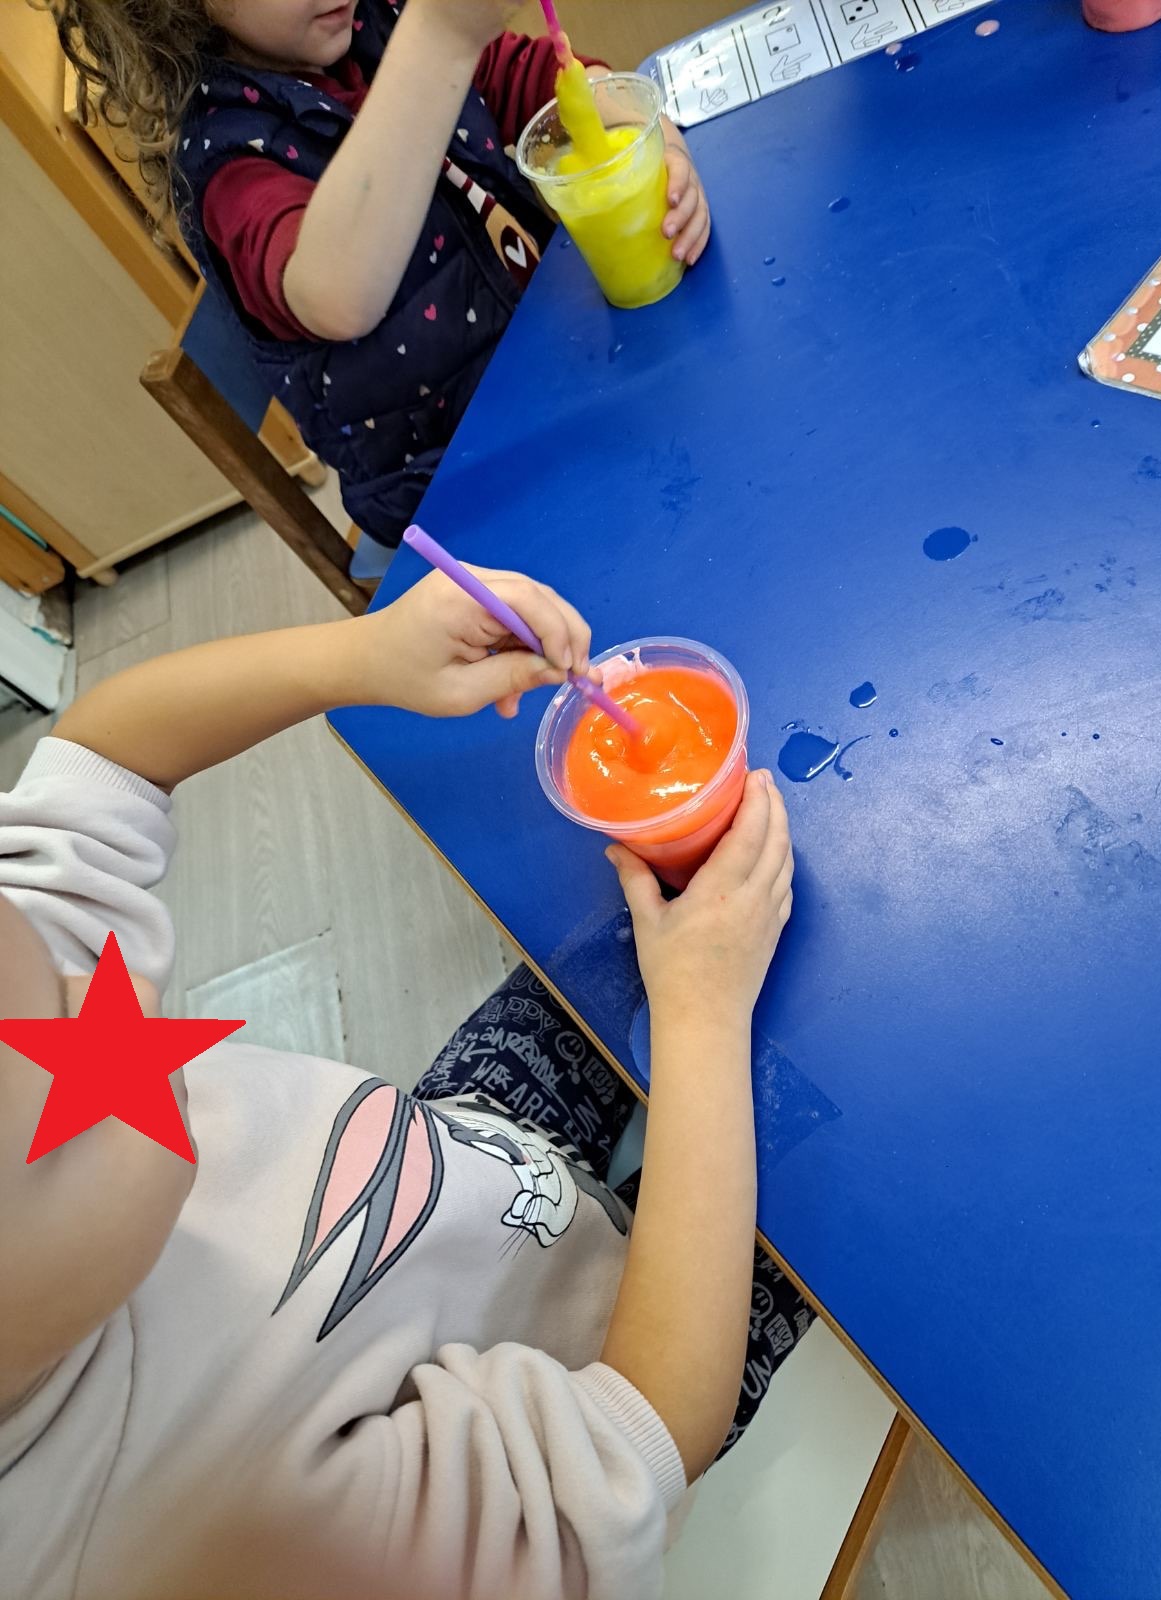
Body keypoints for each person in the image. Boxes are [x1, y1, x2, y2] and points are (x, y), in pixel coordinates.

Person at [0, 567, 809, 1600]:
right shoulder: (210, 1543)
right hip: (621, 1346)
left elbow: (101, 756)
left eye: (46, 963)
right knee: (847, 1154)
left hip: (466, 1147)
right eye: (66, 1051)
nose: (119, 993)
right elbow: (644, 1430)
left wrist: (364, 655)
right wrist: (698, 1013)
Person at [49, 0, 711, 549]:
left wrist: (660, 143)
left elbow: (536, 79)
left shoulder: (377, 16)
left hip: (557, 360)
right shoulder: (228, 166)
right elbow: (336, 294)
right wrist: (440, 39)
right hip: (456, 486)